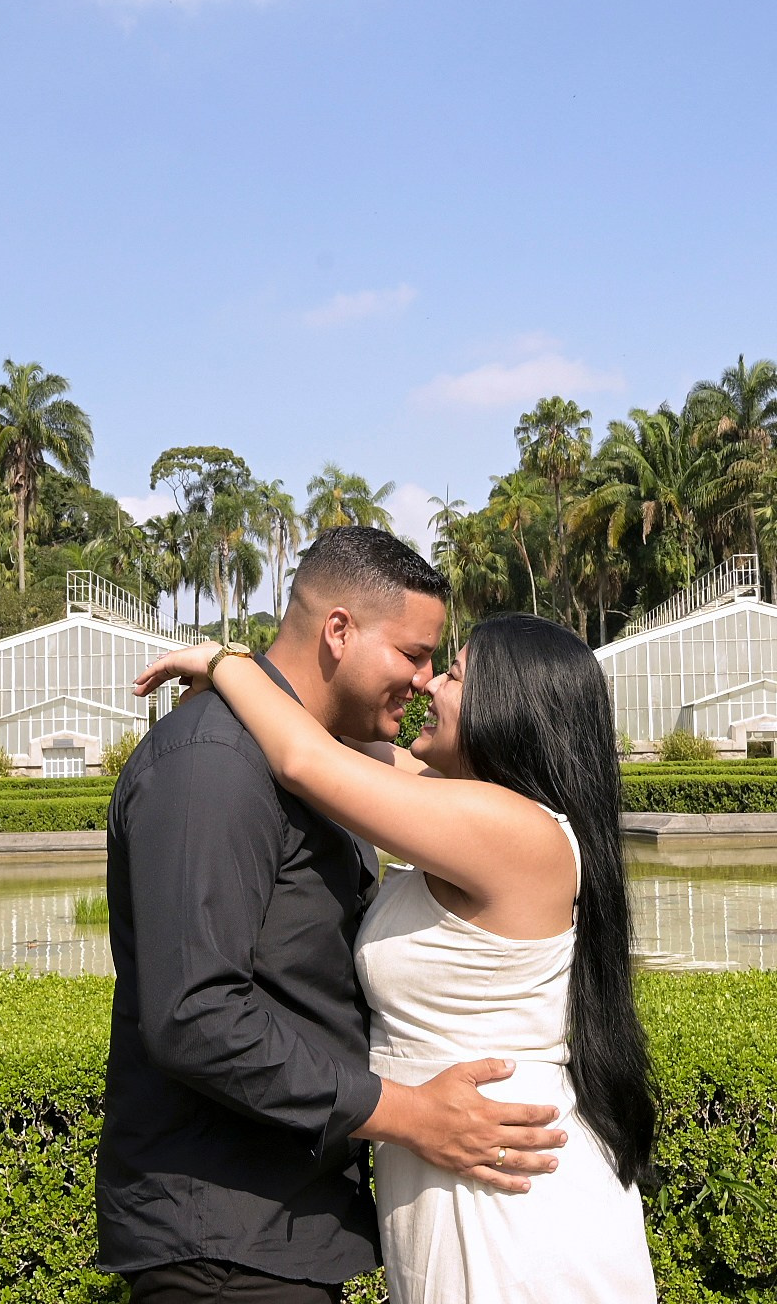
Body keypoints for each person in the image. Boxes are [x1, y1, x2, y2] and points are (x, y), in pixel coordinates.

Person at [96, 526, 570, 1304]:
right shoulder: (213, 765)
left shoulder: (329, 758)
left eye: (438, 665)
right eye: (415, 655)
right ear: (340, 632)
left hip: (288, 1224)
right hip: (225, 1235)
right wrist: (406, 1113)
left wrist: (228, 663)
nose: (423, 682)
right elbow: (196, 1013)